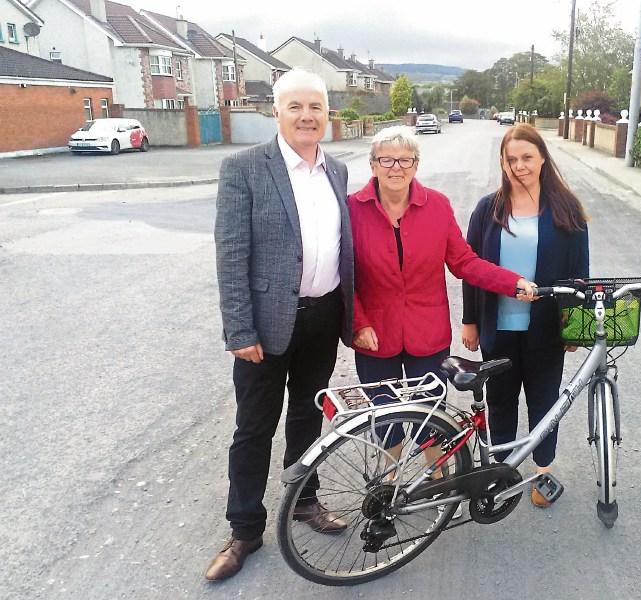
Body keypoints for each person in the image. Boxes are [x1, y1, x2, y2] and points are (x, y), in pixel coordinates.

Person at [206, 69, 354, 581]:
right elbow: (231, 255)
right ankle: (245, 528)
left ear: (327, 114)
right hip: (264, 330)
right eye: (296, 107)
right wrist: (239, 330)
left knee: (307, 422)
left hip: (322, 317)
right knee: (253, 429)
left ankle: (305, 502)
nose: (307, 116)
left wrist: (350, 318)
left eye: (316, 107)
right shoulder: (244, 168)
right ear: (277, 112)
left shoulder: (336, 171)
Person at [348, 126, 536, 478]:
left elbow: (464, 261)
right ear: (373, 165)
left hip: (426, 332)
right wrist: (358, 322)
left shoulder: (436, 205)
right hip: (373, 333)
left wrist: (512, 282)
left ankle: (436, 477)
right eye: (386, 159)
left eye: (405, 160)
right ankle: (389, 483)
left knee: (430, 412)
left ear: (416, 165)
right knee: (385, 415)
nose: (396, 167)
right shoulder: (352, 210)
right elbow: (345, 276)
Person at [461, 123, 589, 508]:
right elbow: (471, 266)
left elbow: (579, 275)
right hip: (497, 326)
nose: (519, 166)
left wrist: (573, 326)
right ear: (502, 162)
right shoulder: (488, 209)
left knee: (544, 400)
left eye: (527, 158)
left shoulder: (566, 209)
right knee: (500, 401)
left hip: (546, 329)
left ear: (543, 158)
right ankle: (503, 469)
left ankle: (543, 473)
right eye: (511, 159)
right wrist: (469, 320)